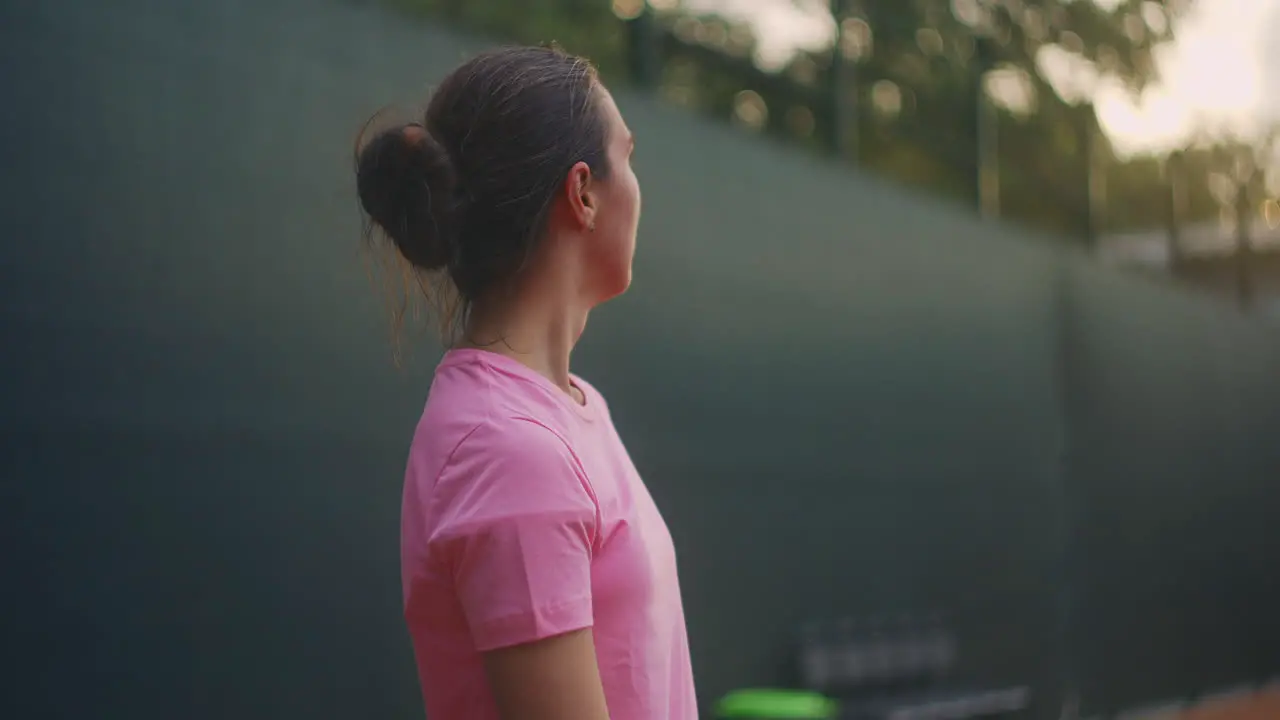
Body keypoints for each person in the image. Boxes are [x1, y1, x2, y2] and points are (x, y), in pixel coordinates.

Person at [354, 46, 698, 720]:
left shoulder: (568, 411)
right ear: (584, 193)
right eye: (627, 158)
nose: (638, 185)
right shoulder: (510, 450)